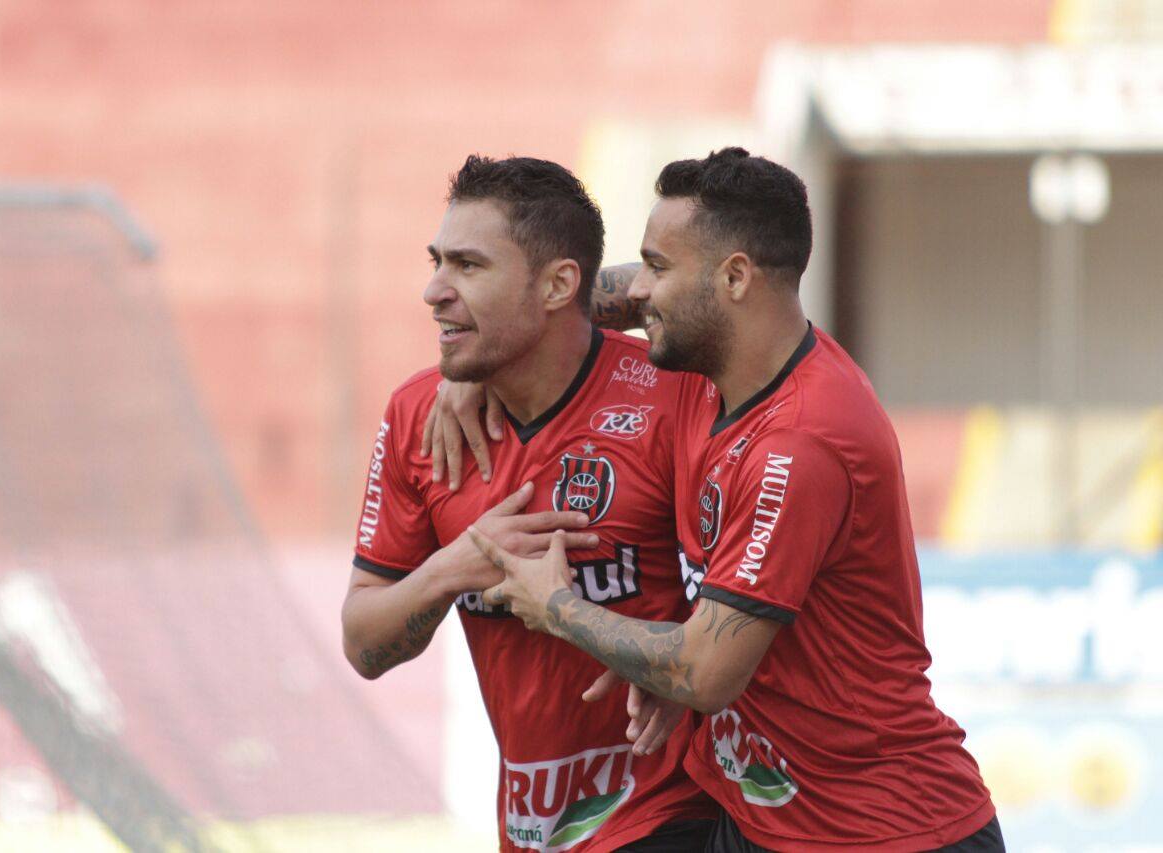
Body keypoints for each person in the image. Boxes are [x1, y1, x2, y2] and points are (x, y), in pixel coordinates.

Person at [460, 148, 1003, 851]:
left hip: (883, 832)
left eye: (659, 267)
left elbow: (704, 669)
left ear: (735, 277)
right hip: (761, 821)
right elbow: (592, 295)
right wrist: (486, 353)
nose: (639, 292)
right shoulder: (709, 367)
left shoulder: (801, 442)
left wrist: (556, 606)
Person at [341, 155, 716, 851]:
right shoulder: (419, 415)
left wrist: (681, 667)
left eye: (469, 267)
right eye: (437, 262)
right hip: (532, 828)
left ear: (557, 285)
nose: (434, 290)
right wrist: (454, 567)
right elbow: (363, 642)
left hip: (677, 810)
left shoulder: (675, 395)